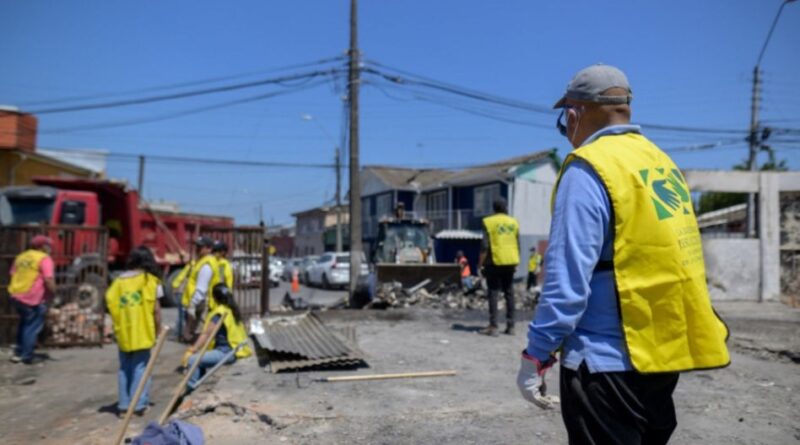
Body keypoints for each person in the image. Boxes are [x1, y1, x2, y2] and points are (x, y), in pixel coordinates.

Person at [516, 64, 729, 444]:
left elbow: (566, 283)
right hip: (659, 358)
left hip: (603, 364)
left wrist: (537, 353)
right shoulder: (661, 164)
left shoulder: (588, 169)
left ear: (573, 114)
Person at [105, 246, 164, 416]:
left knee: (124, 368)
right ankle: (138, 405)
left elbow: (111, 304)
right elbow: (157, 311)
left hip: (124, 332)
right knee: (141, 368)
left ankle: (124, 405)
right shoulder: (150, 281)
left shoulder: (118, 282)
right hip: (143, 332)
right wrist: (158, 330)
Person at [182, 283, 252, 389]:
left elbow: (206, 334)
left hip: (227, 352)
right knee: (201, 359)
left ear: (215, 298)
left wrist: (192, 350)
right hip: (236, 350)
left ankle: (191, 389)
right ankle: (199, 386)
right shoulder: (232, 309)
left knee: (193, 360)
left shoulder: (220, 313)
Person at [8, 235, 56, 364]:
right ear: (42, 247)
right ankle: (27, 355)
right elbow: (48, 279)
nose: (50, 248)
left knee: (24, 323)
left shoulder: (21, 257)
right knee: (32, 326)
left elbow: (13, 274)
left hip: (16, 294)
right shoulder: (44, 259)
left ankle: (18, 352)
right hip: (32, 297)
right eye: (48, 246)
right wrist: (53, 292)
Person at [478, 198, 520, 336]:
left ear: (493, 208)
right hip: (510, 260)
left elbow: (485, 246)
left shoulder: (488, 222)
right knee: (509, 293)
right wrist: (517, 262)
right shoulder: (513, 222)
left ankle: (494, 326)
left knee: (493, 293)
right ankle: (511, 326)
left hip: (494, 261)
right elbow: (517, 243)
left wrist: (480, 264)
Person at [181, 236, 217, 342]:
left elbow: (201, 288)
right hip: (200, 302)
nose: (197, 249)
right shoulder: (203, 261)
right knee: (196, 334)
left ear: (209, 249)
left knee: (198, 334)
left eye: (200, 247)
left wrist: (193, 304)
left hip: (201, 303)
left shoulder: (206, 265)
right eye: (197, 246)